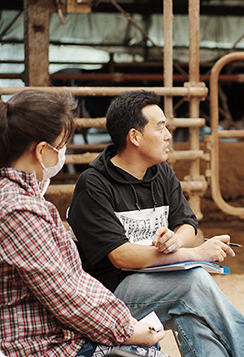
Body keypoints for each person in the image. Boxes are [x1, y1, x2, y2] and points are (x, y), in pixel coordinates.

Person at [67, 90, 244, 357]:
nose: (168, 135)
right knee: (193, 282)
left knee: (193, 313)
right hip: (113, 295)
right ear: (134, 137)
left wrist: (176, 240)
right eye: (161, 127)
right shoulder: (94, 184)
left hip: (162, 282)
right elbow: (120, 256)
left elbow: (188, 224)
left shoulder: (161, 172)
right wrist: (194, 253)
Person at [0, 90, 166, 357]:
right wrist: (126, 329)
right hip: (46, 344)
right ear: (42, 151)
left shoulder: (26, 198)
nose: (63, 153)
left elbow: (73, 281)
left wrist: (125, 322)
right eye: (61, 144)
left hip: (63, 329)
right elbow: (65, 292)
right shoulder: (21, 210)